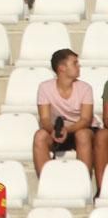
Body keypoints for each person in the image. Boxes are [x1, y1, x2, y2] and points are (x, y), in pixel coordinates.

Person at [35, 48, 99, 178]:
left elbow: (85, 120)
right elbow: (45, 119)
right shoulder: (44, 87)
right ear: (62, 68)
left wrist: (67, 130)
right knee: (39, 136)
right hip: (58, 129)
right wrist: (54, 130)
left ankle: (84, 181)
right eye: (75, 63)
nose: (78, 66)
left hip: (81, 128)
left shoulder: (85, 88)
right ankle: (45, 182)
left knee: (82, 135)